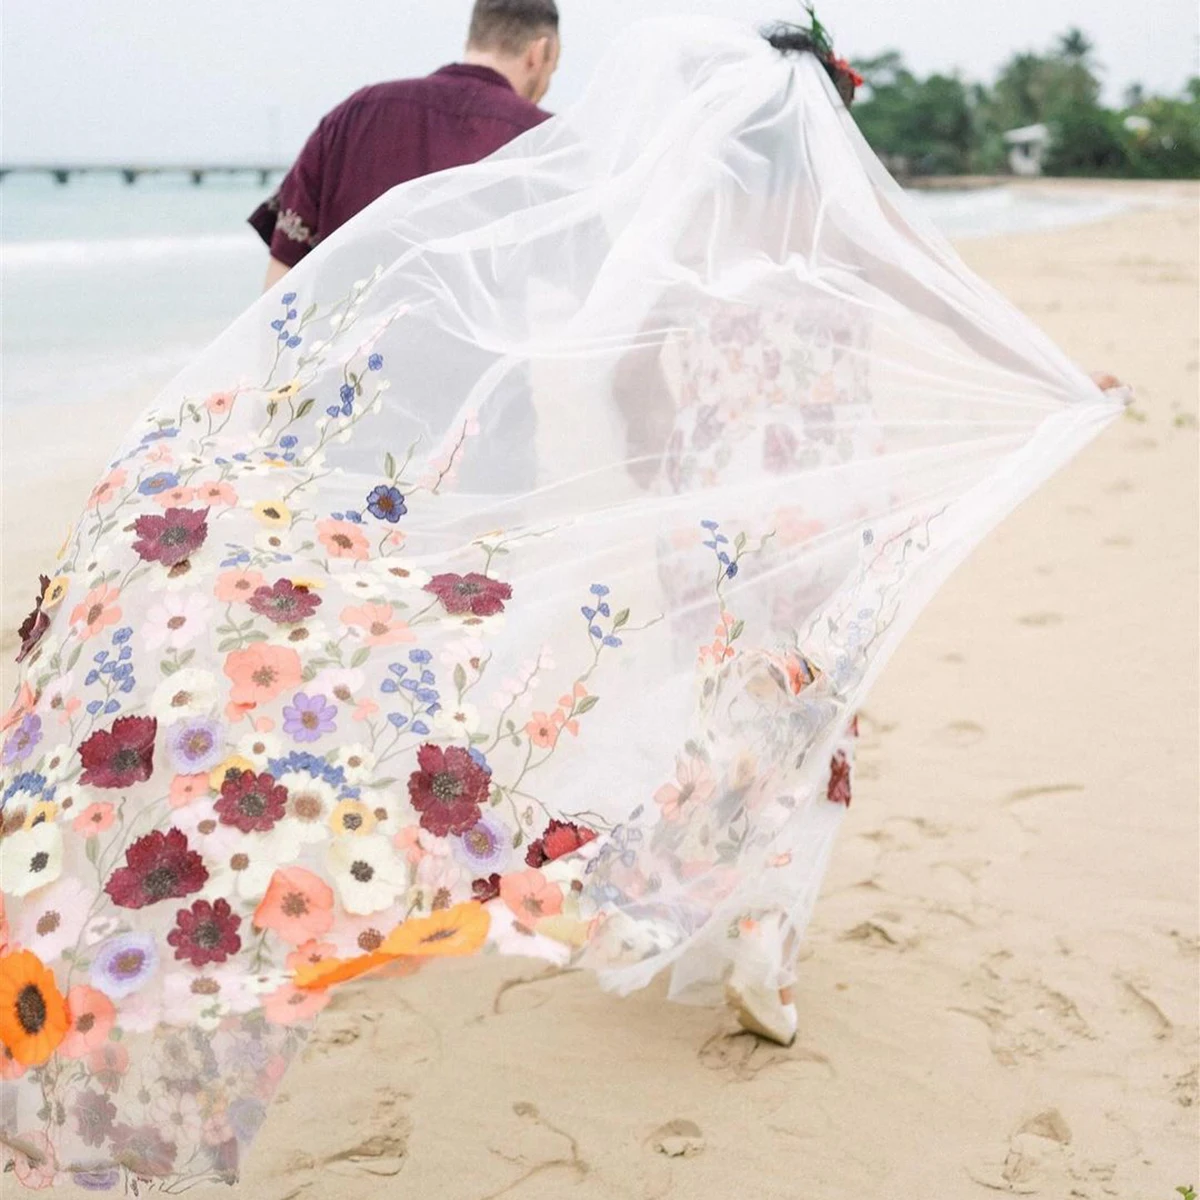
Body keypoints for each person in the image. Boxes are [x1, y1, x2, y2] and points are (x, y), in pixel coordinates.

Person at [1, 13, 1131, 1190]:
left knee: (657, 695)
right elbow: (909, 304)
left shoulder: (549, 173)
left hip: (628, 497)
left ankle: (572, 886)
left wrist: (639, 483)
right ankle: (755, 925)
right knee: (802, 701)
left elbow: (537, 338)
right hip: (775, 496)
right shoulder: (779, 210)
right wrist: (1053, 375)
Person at [249, 0, 561, 291]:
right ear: (540, 53)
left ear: (474, 39)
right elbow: (572, 292)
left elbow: (280, 284)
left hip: (347, 348)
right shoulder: (544, 140)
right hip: (483, 350)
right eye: (553, 70)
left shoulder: (352, 115)